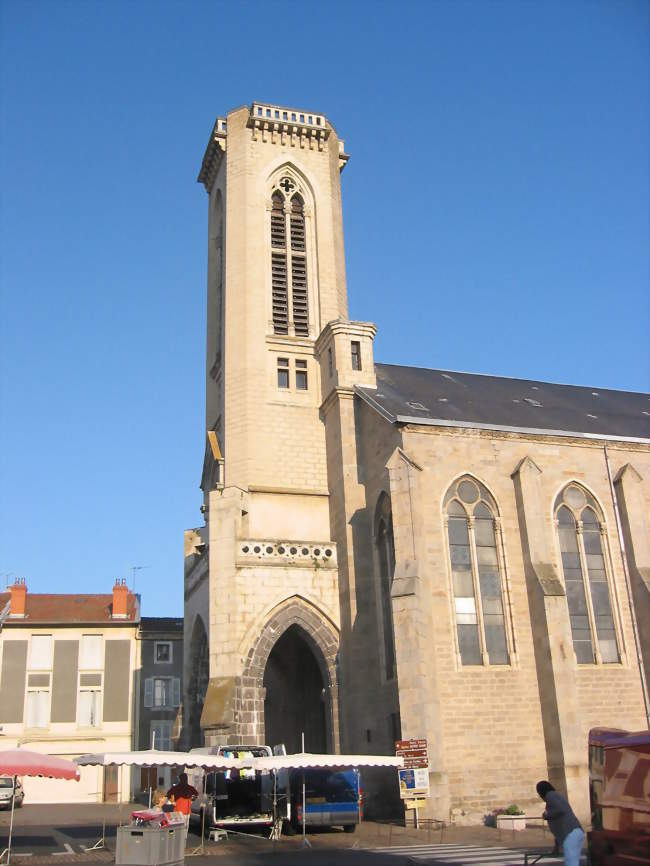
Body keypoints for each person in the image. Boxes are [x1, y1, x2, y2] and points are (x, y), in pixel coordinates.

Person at [536, 780, 584, 866]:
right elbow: (557, 825)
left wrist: (547, 815)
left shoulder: (551, 795)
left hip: (571, 834)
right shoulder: (553, 797)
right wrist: (556, 846)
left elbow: (561, 810)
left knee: (571, 863)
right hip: (573, 833)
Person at [166, 773, 198, 840]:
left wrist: (172, 801)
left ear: (180, 779)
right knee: (185, 828)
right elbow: (196, 794)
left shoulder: (175, 788)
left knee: (177, 828)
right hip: (186, 811)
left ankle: (177, 841)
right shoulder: (190, 788)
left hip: (177, 811)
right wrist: (191, 800)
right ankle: (184, 841)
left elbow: (168, 795)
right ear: (186, 779)